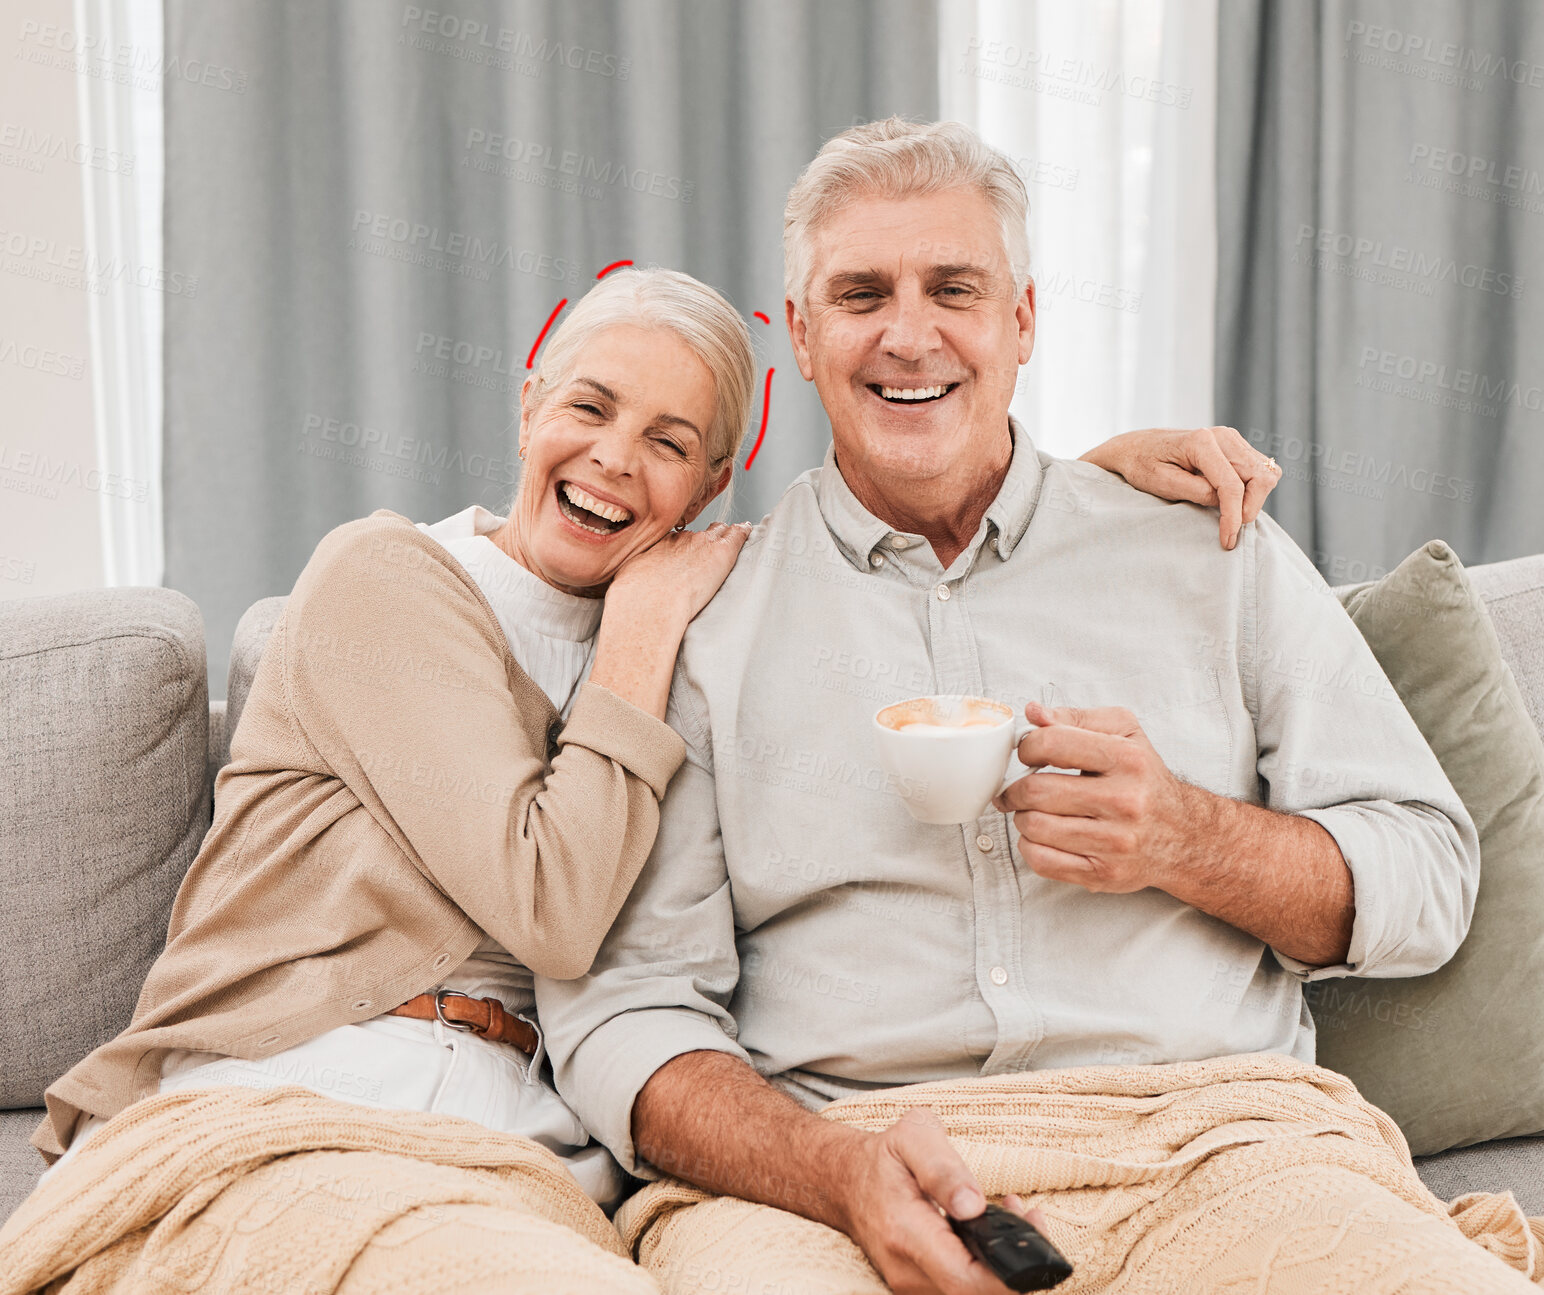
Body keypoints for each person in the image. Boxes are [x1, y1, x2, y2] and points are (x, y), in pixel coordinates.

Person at [10, 265, 1262, 1290]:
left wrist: (1084, 479)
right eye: (588, 408)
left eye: (669, 441)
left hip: (525, 1148)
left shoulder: (705, 619)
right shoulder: (385, 580)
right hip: (309, 1087)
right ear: (526, 406)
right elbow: (551, 903)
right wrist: (643, 632)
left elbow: (885, 558)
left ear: (710, 488)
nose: (613, 458)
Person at [534, 121, 1521, 1294]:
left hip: (1218, 1143)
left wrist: (1186, 837)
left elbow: (1426, 875)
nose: (909, 333)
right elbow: (623, 1009)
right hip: (838, 1171)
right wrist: (834, 1168)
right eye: (859, 294)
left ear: (1022, 322)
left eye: (953, 287)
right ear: (797, 335)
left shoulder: (1207, 549)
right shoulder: (703, 614)